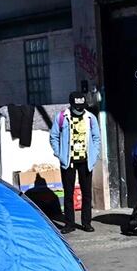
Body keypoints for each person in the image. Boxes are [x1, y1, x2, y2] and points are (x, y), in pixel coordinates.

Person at [50, 91, 101, 233]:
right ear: (71, 105)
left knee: (87, 193)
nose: (79, 109)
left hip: (86, 161)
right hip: (68, 161)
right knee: (68, 193)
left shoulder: (90, 118)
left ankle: (86, 223)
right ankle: (69, 224)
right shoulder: (61, 117)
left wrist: (95, 154)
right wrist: (59, 154)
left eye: (82, 106)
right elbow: (53, 136)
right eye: (77, 106)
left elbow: (97, 138)